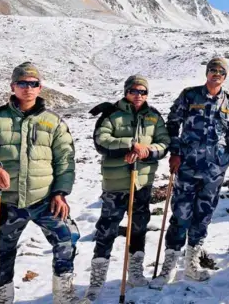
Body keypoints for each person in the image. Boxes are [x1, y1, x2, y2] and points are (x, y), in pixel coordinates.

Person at [0, 62, 81, 304]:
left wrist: (60, 192)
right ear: (13, 86)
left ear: (40, 88)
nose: (28, 88)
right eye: (22, 83)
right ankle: (2, 297)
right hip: (7, 199)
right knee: (2, 251)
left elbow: (65, 159)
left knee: (67, 237)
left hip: (45, 199)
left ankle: (64, 296)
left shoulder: (54, 122)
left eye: (33, 84)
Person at [150, 57, 229, 288]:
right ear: (206, 73)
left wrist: (226, 159)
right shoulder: (190, 96)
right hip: (187, 167)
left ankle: (191, 265)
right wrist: (175, 152)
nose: (216, 74)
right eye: (212, 70)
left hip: (214, 172)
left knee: (203, 218)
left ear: (225, 76)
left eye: (220, 71)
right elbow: (172, 123)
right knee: (180, 216)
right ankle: (168, 268)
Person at [84, 75, 169, 301]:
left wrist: (147, 151)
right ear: (126, 92)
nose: (139, 95)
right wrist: (129, 145)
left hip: (142, 181)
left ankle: (135, 272)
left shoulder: (153, 116)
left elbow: (164, 143)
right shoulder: (112, 114)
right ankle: (97, 279)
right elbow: (101, 140)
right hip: (116, 183)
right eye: (134, 91)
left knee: (139, 226)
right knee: (107, 228)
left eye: (143, 92)